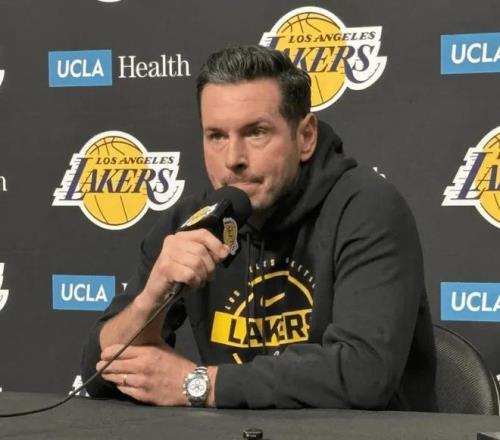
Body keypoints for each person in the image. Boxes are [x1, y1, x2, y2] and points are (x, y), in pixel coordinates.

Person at [81, 45, 436, 410]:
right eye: (217, 136)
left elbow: (363, 373)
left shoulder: (366, 207)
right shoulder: (192, 222)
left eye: (256, 132)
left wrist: (198, 384)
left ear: (306, 136)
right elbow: (98, 371)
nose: (233, 159)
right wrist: (151, 298)